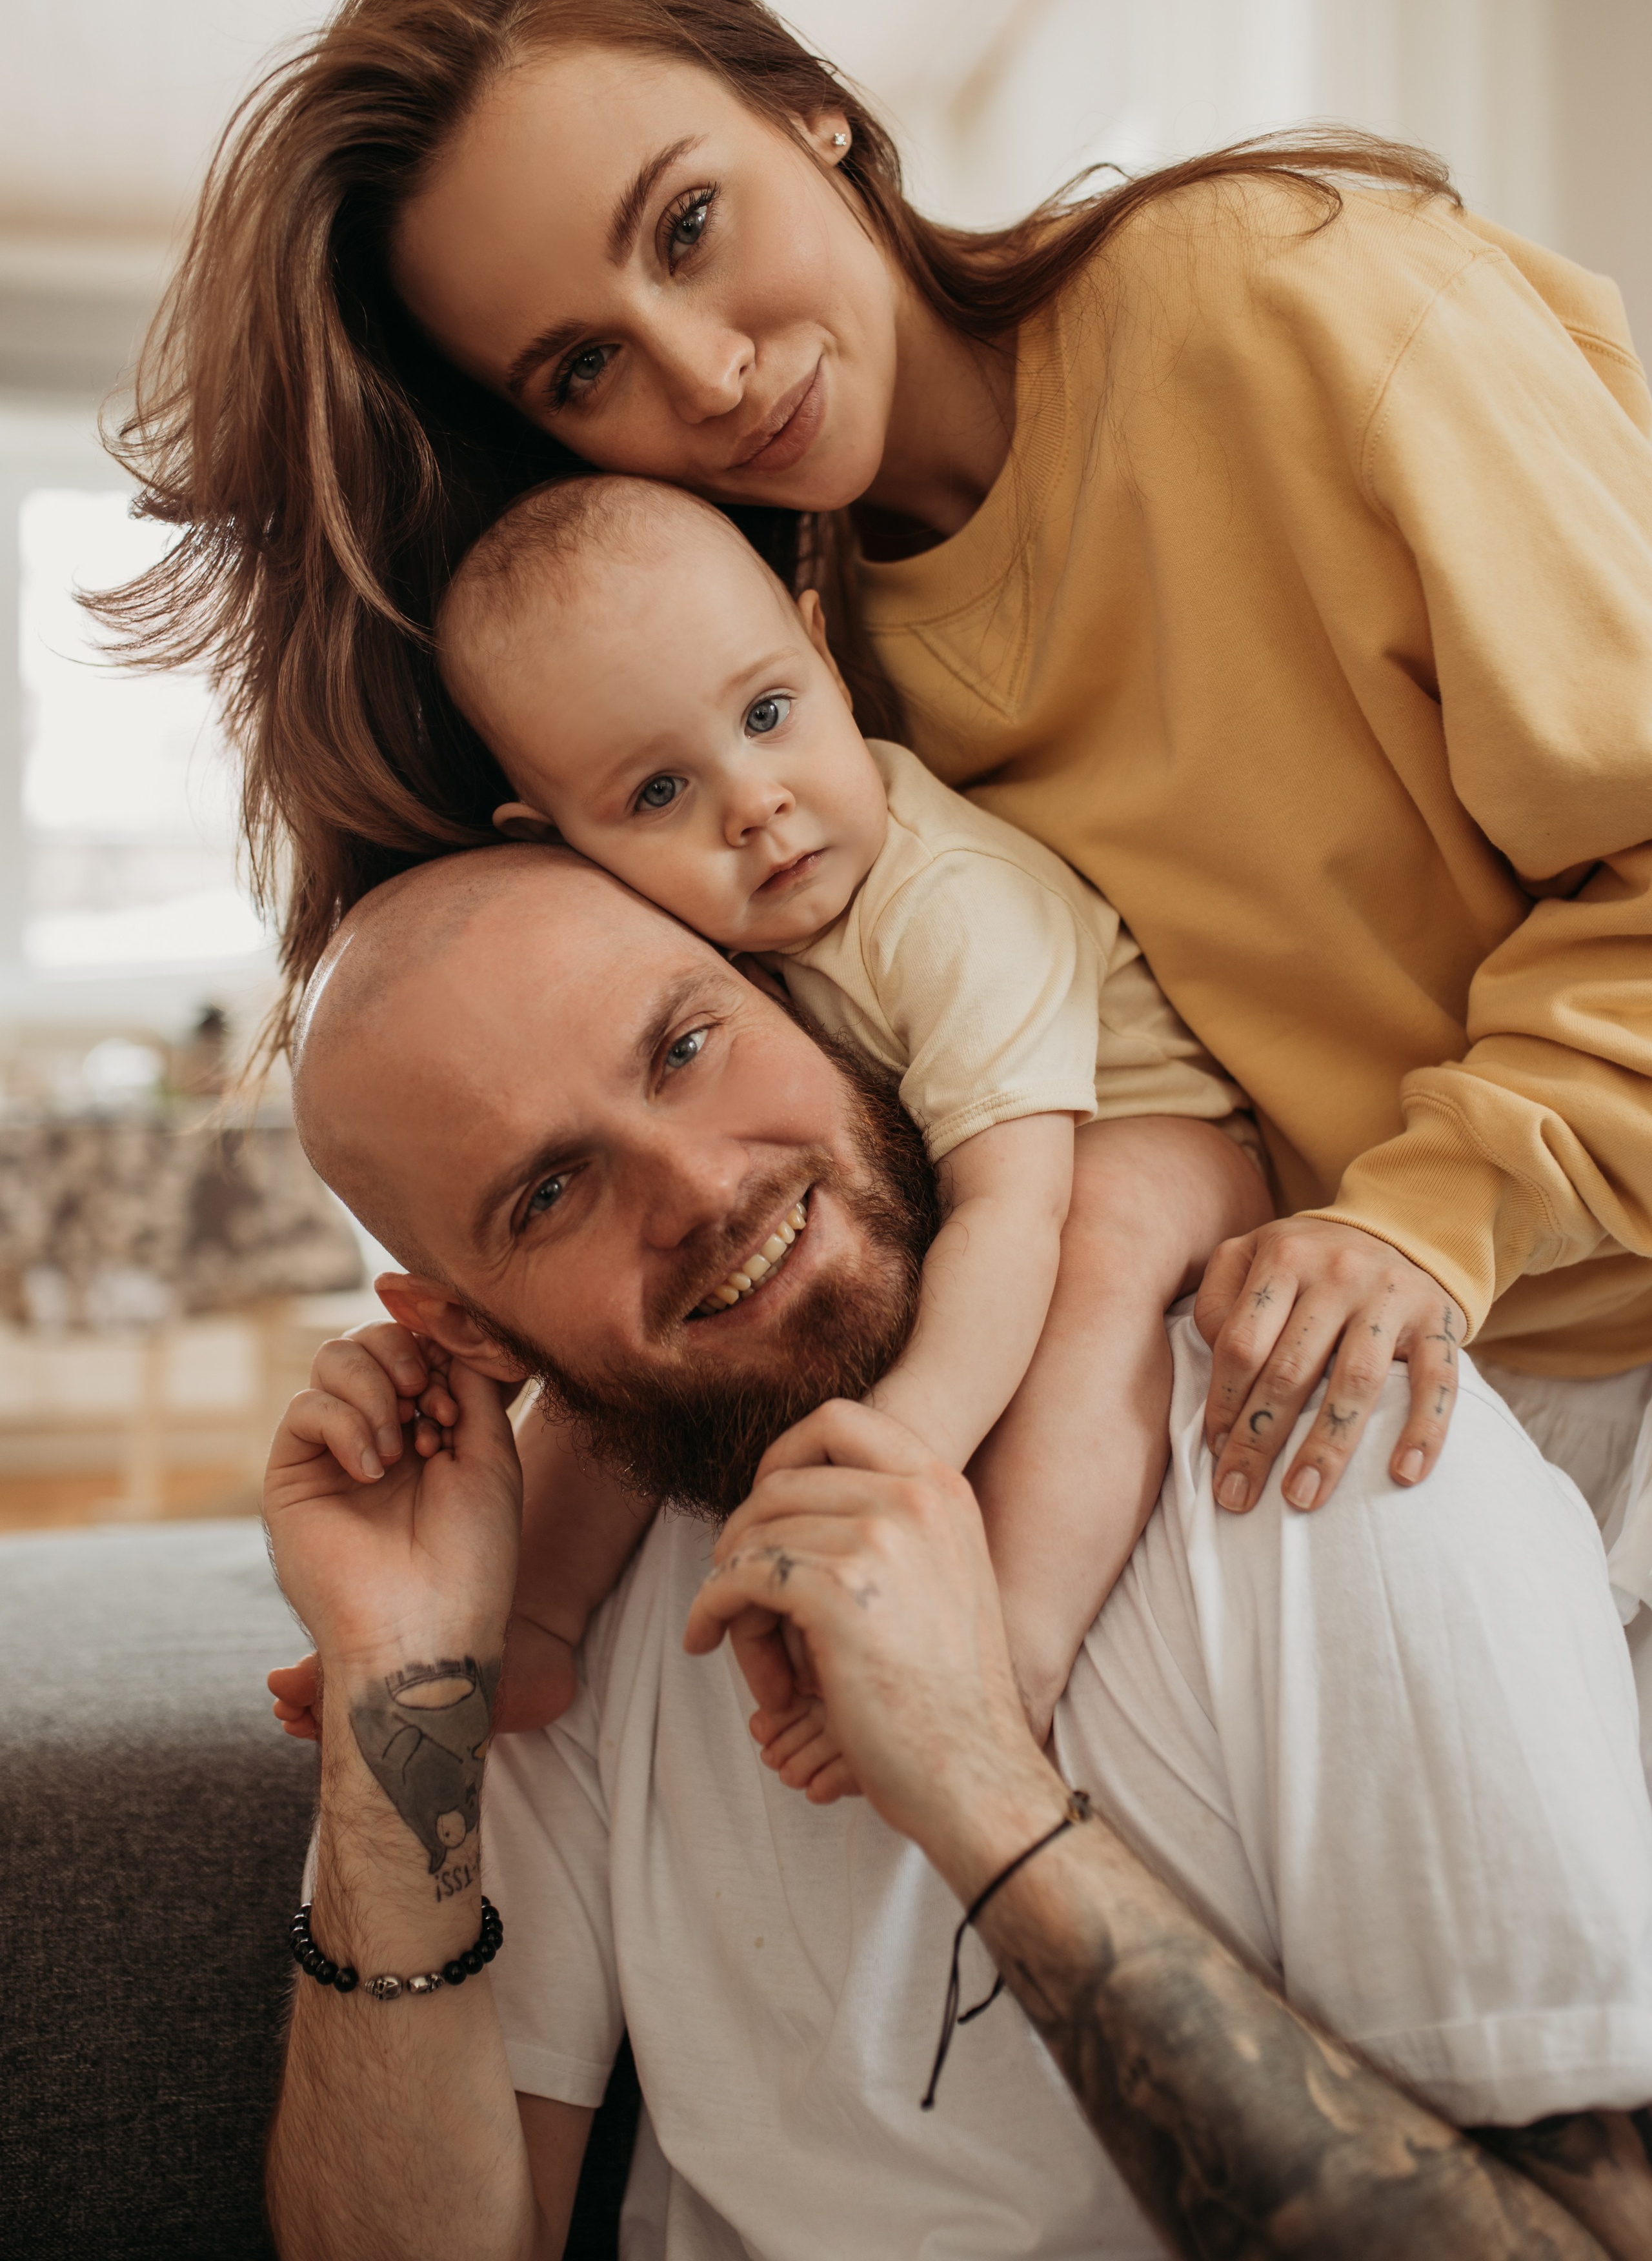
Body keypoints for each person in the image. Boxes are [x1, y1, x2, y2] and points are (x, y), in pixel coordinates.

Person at [97, 0, 1652, 1689]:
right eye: (582, 367)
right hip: (1320, 1393)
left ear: (807, 105)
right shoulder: (764, 685)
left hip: (1559, 1305)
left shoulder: (1291, 302)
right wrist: (480, 1383)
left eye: (690, 226)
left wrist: (1426, 1224)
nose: (704, 373)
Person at [263, 841, 1652, 2260]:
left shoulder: (1313, 1429)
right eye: (549, 1194)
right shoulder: (545, 1589)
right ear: (475, 1336)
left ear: (802, 994)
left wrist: (979, 1778)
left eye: (686, 1046)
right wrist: (396, 1678)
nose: (695, 1187)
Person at [405, 467, 1263, 1766]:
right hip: (941, 1155)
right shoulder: (678, 943)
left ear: (824, 654)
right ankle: (528, 1624)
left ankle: (1011, 1658)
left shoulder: (954, 906)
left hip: (1139, 1136)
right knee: (625, 1339)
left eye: (764, 712)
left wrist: (904, 1442)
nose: (752, 803)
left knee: (1093, 1244)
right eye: (655, 795)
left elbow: (1008, 1206)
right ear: (563, 845)